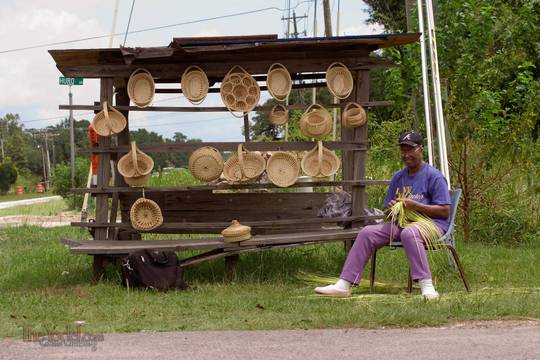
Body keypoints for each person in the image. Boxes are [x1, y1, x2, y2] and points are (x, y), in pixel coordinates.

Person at [315, 130, 451, 300]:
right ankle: (344, 284)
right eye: (403, 150)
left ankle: (427, 287)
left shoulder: (434, 176)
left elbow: (445, 211)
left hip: (432, 225)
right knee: (367, 232)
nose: (406, 154)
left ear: (420, 149)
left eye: (411, 150)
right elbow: (387, 212)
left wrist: (415, 206)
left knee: (410, 233)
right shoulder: (398, 178)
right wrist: (393, 209)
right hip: (401, 224)